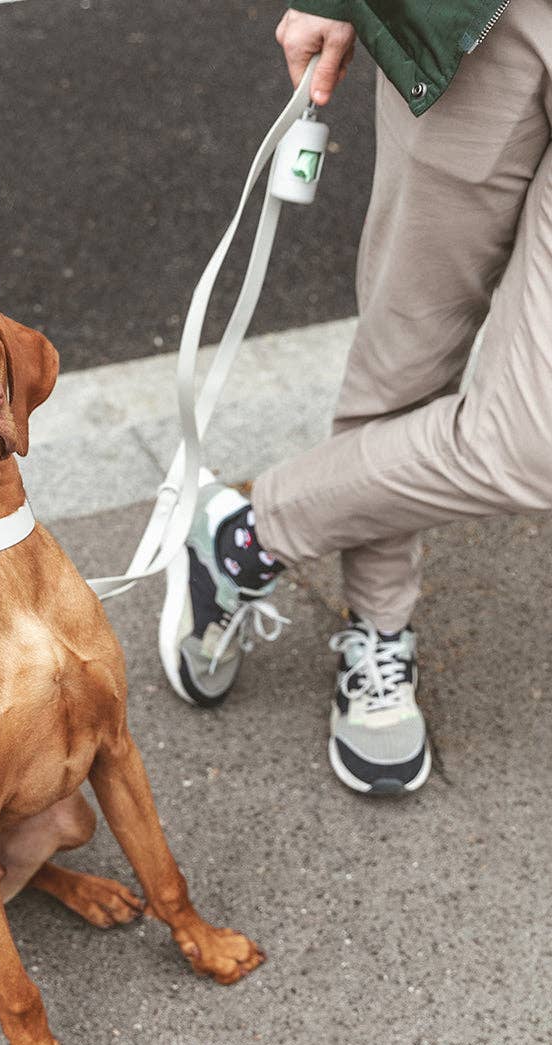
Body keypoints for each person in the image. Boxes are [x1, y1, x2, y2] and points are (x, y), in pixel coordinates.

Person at [159, 0, 551, 795]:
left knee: (533, 443)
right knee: (407, 345)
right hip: (489, 17)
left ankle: (246, 534)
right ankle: (378, 628)